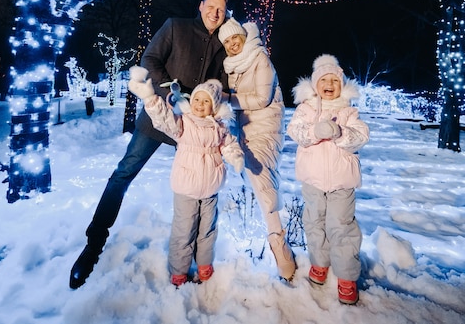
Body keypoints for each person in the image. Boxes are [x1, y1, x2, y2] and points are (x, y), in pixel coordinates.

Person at [69, 0, 230, 289]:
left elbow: (221, 84)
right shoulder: (175, 26)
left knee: (203, 189)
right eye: (211, 6)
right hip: (159, 119)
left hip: (195, 132)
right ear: (201, 5)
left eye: (221, 9)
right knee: (124, 172)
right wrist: (171, 92)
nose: (215, 13)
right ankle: (93, 243)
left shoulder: (224, 45)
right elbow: (150, 59)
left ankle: (195, 255)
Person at [127, 69, 244, 287]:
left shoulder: (219, 128)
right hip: (186, 188)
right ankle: (179, 270)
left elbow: (229, 144)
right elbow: (163, 120)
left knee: (207, 230)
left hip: (211, 188)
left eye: (206, 101)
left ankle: (204, 264)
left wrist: (235, 156)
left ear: (214, 106)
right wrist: (151, 98)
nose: (200, 104)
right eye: (197, 99)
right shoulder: (184, 123)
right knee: (184, 229)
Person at [286, 54, 370, 305]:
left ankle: (346, 276)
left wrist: (340, 133)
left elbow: (361, 137)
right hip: (312, 180)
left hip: (342, 182)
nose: (330, 84)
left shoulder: (348, 111)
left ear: (342, 85)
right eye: (325, 79)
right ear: (315, 85)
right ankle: (319, 264)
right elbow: (295, 132)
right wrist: (315, 131)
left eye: (335, 79)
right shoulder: (306, 109)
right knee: (314, 223)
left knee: (341, 226)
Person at [218, 17, 297, 281]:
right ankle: (271, 238)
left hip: (266, 128)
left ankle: (278, 242)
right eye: (226, 41)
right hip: (246, 130)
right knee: (253, 175)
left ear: (243, 36)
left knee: (259, 173)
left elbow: (262, 99)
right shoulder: (232, 67)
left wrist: (227, 99)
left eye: (234, 38)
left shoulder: (259, 58)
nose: (231, 44)